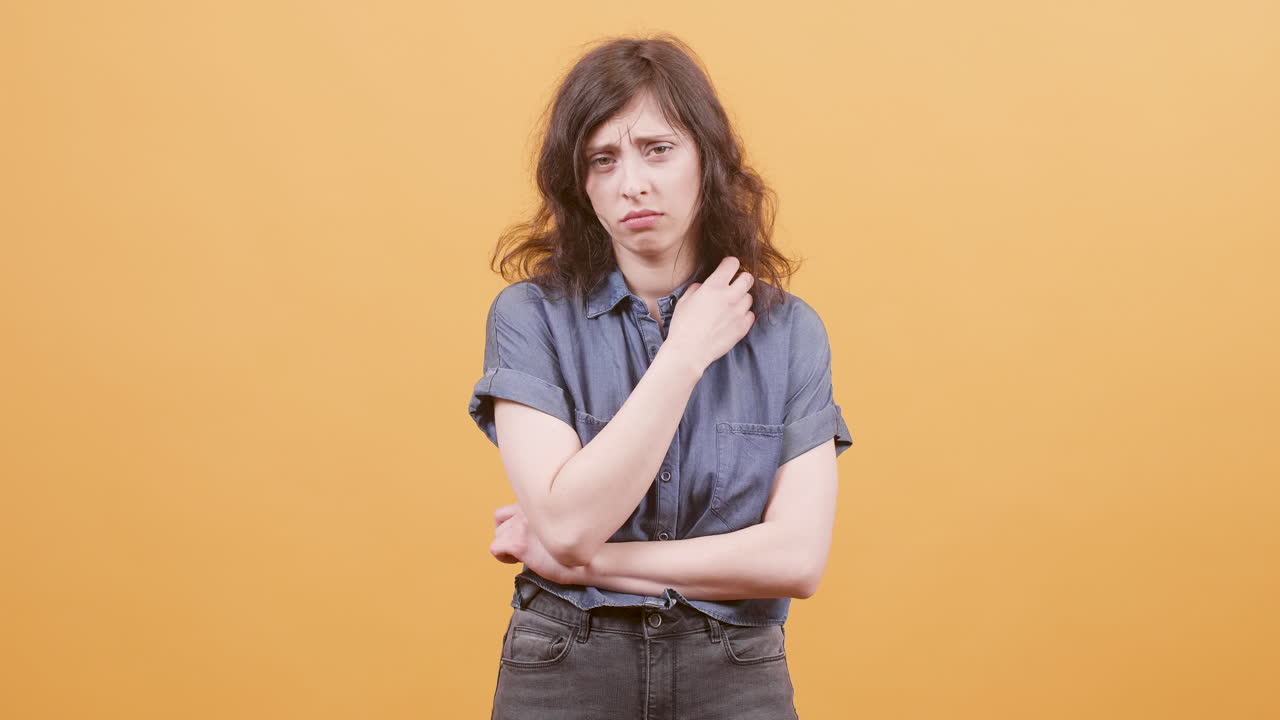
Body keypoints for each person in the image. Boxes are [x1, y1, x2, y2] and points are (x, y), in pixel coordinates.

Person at [467, 33, 853, 720]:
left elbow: (797, 560)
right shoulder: (528, 317)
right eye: (602, 159)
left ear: (707, 159)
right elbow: (566, 526)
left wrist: (590, 562)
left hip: (735, 668)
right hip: (565, 663)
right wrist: (683, 356)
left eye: (658, 149)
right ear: (580, 184)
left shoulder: (791, 332)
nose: (631, 183)